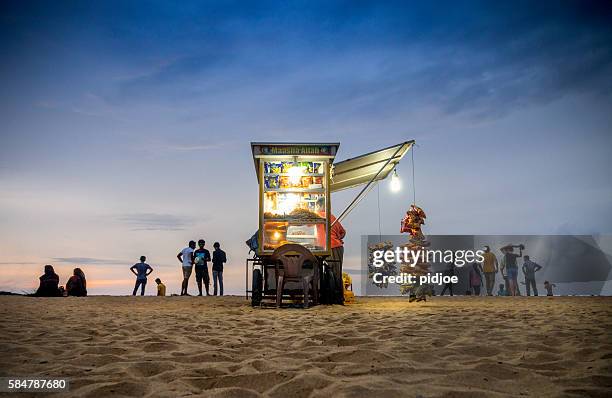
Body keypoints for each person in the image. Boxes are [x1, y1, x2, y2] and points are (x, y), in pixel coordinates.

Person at [316, 197, 347, 304]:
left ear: (319, 206)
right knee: (336, 272)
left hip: (330, 247)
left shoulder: (317, 216)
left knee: (332, 272)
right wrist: (337, 236)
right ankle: (337, 298)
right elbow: (343, 232)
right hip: (336, 246)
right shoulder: (332, 217)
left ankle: (337, 299)